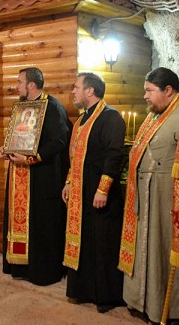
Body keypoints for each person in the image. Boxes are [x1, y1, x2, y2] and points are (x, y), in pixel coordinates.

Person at [119, 67, 179, 324]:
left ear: (168, 91)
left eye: (149, 91)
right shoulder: (153, 116)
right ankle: (142, 301)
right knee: (146, 249)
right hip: (147, 196)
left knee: (162, 251)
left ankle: (172, 308)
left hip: (170, 200)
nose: (145, 96)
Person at [61, 72, 126, 313]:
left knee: (102, 243)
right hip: (80, 191)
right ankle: (84, 289)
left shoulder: (110, 118)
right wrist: (69, 182)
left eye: (76, 87)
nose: (73, 92)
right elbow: (74, 157)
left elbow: (114, 156)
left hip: (100, 193)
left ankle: (105, 296)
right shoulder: (81, 121)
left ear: (90, 91)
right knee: (86, 242)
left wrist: (102, 189)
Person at [0, 67, 69, 286]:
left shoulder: (53, 106)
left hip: (42, 174)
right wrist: (6, 149)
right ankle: (20, 266)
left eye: (19, 82)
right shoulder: (21, 106)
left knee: (42, 222)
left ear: (31, 85)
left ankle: (42, 270)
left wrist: (31, 159)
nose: (16, 86)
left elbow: (59, 140)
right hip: (19, 173)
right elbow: (19, 137)